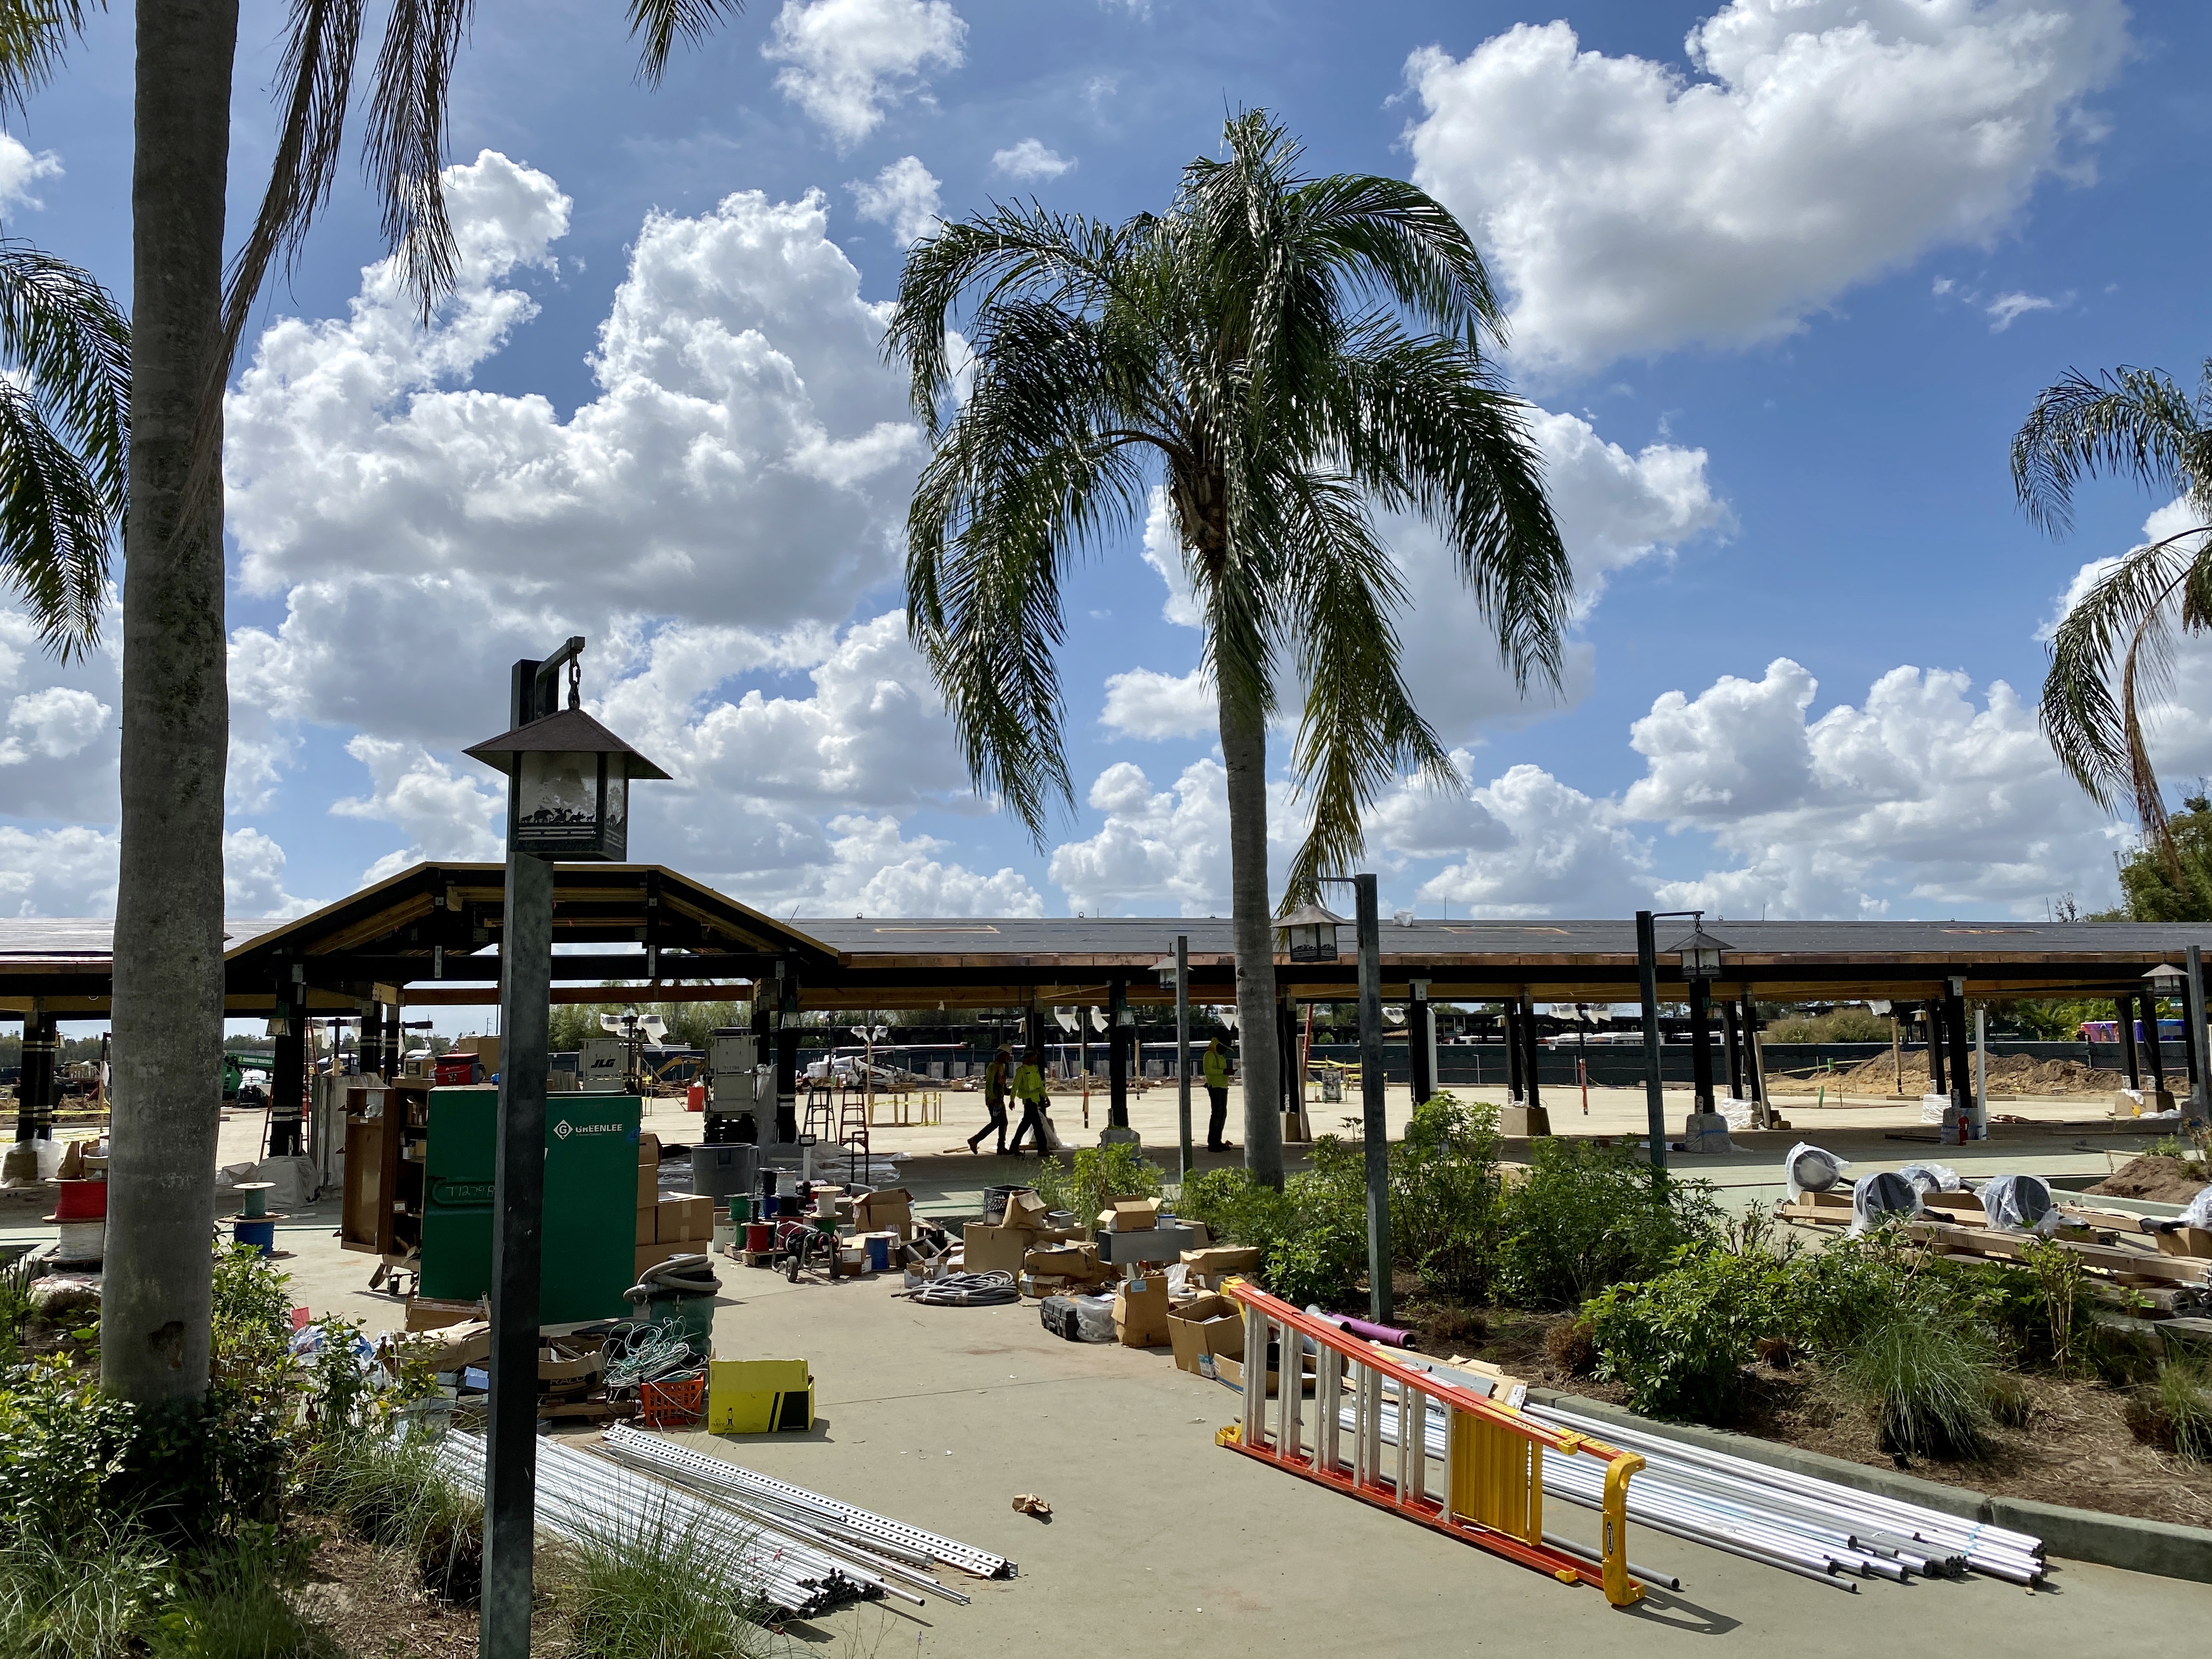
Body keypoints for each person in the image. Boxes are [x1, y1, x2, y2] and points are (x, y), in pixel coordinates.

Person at [1008, 1046, 1051, 1154]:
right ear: (1029, 1057)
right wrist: (1012, 1099)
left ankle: (1014, 1147)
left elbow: (1040, 1086)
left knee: (1025, 1125)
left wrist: (1045, 1097)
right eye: (1034, 1056)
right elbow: (1015, 1086)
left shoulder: (1035, 1069)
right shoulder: (1021, 1071)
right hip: (1028, 1101)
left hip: (1035, 1100)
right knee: (1038, 1125)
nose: (1036, 1058)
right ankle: (1042, 1149)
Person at [969, 1043, 1012, 1154]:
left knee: (1003, 1123)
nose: (1009, 1058)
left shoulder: (1002, 1067)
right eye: (1008, 1055)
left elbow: (1002, 1085)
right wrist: (993, 1099)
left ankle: (1001, 1147)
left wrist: (1009, 1091)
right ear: (1002, 1054)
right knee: (996, 1123)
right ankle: (975, 1140)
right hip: (994, 1101)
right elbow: (989, 1084)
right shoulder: (993, 1067)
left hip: (999, 1100)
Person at [1202, 1032, 1234, 1152]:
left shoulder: (1221, 1057)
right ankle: (1212, 1143)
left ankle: (1218, 1141)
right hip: (1215, 1087)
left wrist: (1227, 1072)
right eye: (1224, 1048)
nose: (1225, 1051)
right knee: (1216, 1115)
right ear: (1217, 1045)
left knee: (1222, 1115)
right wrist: (1224, 1072)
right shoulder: (1209, 1055)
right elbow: (1208, 1070)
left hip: (1223, 1087)